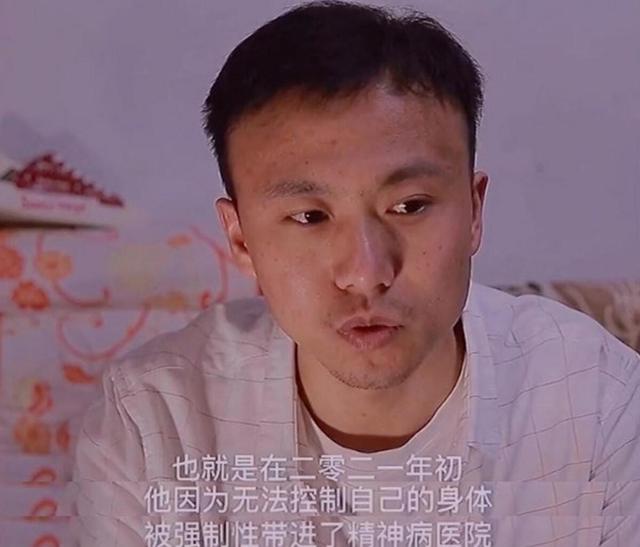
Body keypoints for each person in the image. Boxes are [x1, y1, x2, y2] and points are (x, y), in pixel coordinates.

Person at [68, 1, 640, 545]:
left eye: (410, 206)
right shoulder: (153, 425)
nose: (366, 274)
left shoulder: (599, 402)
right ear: (241, 240)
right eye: (309, 217)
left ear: (474, 211)